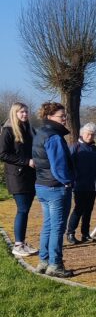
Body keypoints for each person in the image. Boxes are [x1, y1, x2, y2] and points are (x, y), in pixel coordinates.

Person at [32, 102, 75, 278]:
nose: (64, 119)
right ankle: (55, 264)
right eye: (61, 116)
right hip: (55, 188)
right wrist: (68, 182)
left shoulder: (40, 133)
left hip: (41, 185)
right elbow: (59, 166)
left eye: (65, 115)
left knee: (48, 226)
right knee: (57, 227)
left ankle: (44, 262)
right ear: (50, 117)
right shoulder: (54, 137)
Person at [0, 102, 38, 257]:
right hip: (17, 177)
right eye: (21, 112)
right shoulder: (8, 131)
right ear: (14, 113)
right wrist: (26, 161)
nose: (25, 114)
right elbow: (2, 154)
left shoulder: (29, 129)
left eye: (26, 111)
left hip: (30, 176)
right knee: (22, 210)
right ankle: (18, 245)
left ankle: (21, 242)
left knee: (25, 210)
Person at [66, 123, 96, 244]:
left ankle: (85, 234)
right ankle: (70, 233)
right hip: (79, 185)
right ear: (82, 134)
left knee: (88, 210)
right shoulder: (75, 147)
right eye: (88, 134)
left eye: (92, 134)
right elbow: (69, 166)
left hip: (92, 186)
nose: (90, 136)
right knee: (78, 209)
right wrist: (72, 181)